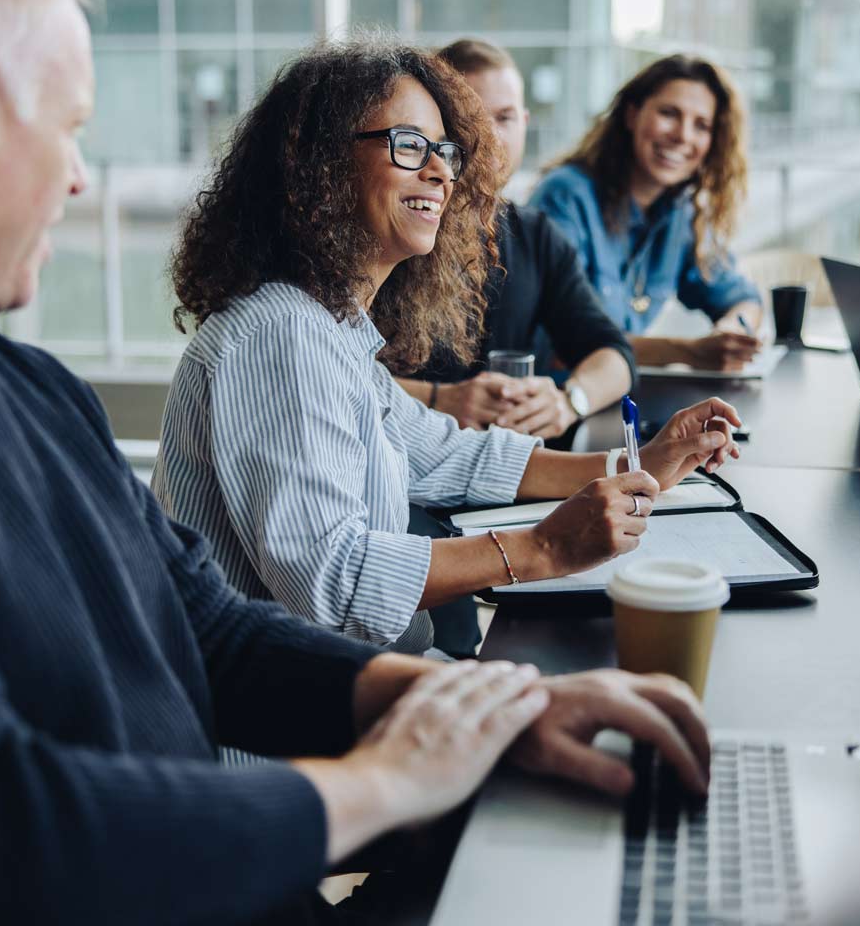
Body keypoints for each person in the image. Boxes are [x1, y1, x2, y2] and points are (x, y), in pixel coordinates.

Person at [0, 0, 714, 921]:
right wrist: (391, 784)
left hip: (227, 842)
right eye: (71, 128)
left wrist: (488, 714)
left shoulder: (28, 386)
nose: (77, 176)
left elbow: (207, 627)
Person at [153, 38, 743, 654]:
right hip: (285, 731)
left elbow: (450, 457)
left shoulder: (330, 327)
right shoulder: (280, 336)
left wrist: (639, 464)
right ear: (319, 165)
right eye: (408, 145)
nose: (439, 170)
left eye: (444, 151)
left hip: (347, 684)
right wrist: (544, 547)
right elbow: (333, 581)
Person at [393, 39, 635, 441]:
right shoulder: (398, 229)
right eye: (468, 120)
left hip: (512, 475)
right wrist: (439, 399)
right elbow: (335, 372)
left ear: (524, 123)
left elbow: (614, 354)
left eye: (503, 118)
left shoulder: (535, 235)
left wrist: (568, 401)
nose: (488, 138)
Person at [527, 54, 765, 372]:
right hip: (555, 403)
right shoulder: (566, 197)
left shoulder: (681, 213)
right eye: (669, 114)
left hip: (621, 398)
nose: (683, 136)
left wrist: (733, 331)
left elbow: (742, 297)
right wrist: (688, 351)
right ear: (631, 115)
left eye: (701, 125)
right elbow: (564, 345)